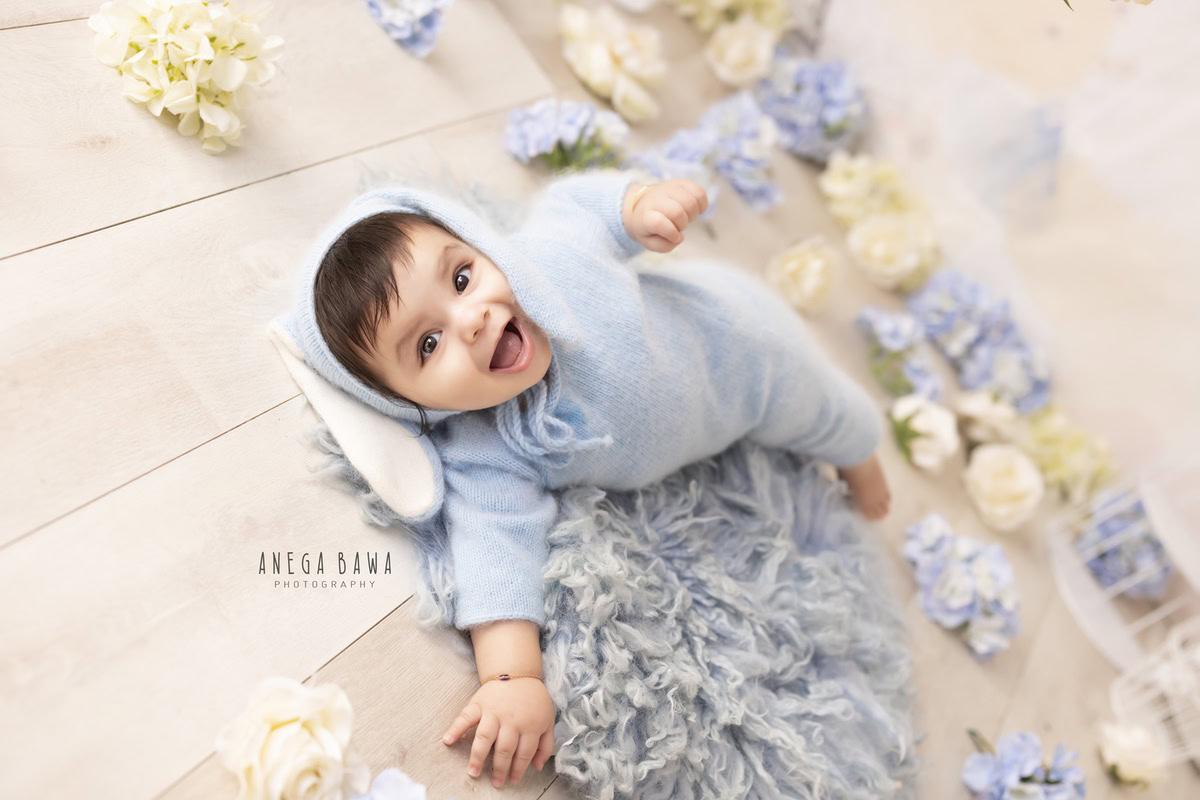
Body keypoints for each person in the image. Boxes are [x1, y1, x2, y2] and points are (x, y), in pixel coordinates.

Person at [279, 170, 892, 790]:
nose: (471, 320)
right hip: (733, 412)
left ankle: (862, 455)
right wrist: (511, 679)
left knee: (828, 414)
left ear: (479, 243)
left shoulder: (554, 259)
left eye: (462, 277)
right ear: (410, 404)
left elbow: (576, 206)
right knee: (808, 410)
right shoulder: (489, 448)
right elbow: (494, 551)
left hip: (744, 344)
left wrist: (639, 206)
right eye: (429, 344)